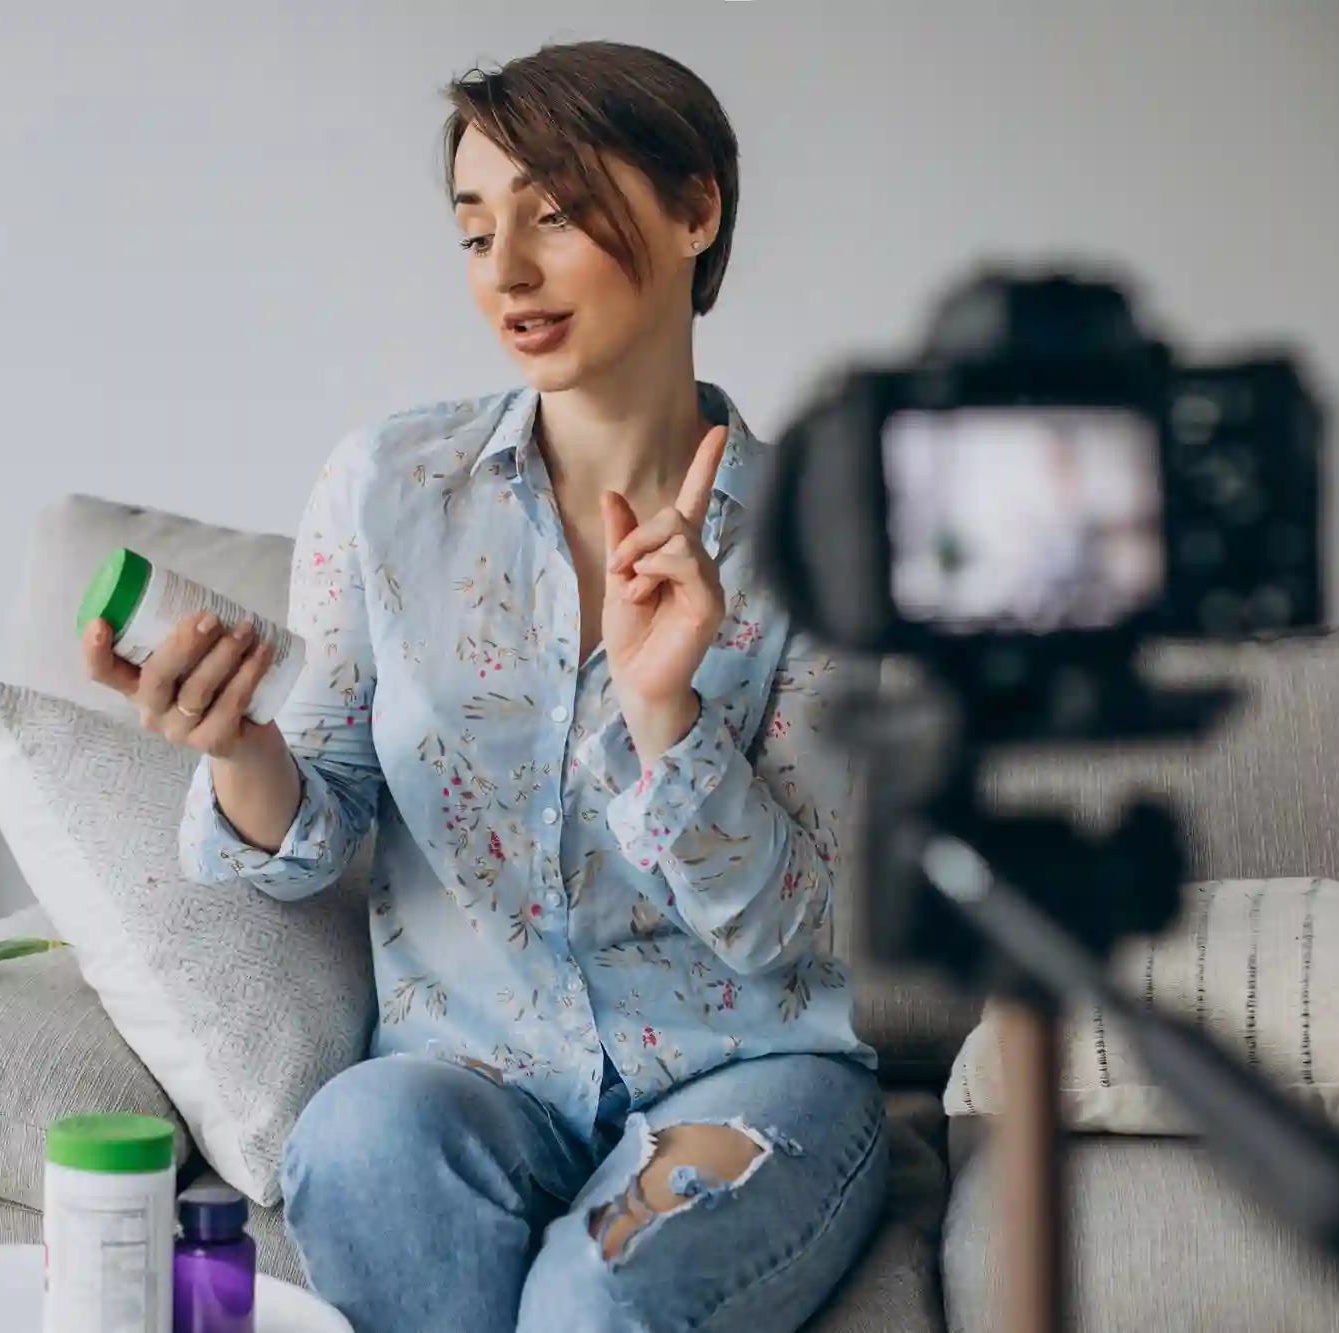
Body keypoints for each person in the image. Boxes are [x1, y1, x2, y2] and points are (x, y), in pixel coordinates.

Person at [82, 40, 886, 1333]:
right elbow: (325, 816)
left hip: (746, 1080)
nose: (505, 273)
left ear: (696, 210)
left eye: (554, 217)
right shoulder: (388, 491)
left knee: (592, 1299)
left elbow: (789, 928)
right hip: (471, 1078)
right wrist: (239, 752)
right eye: (474, 232)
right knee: (355, 1148)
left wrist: (663, 712)